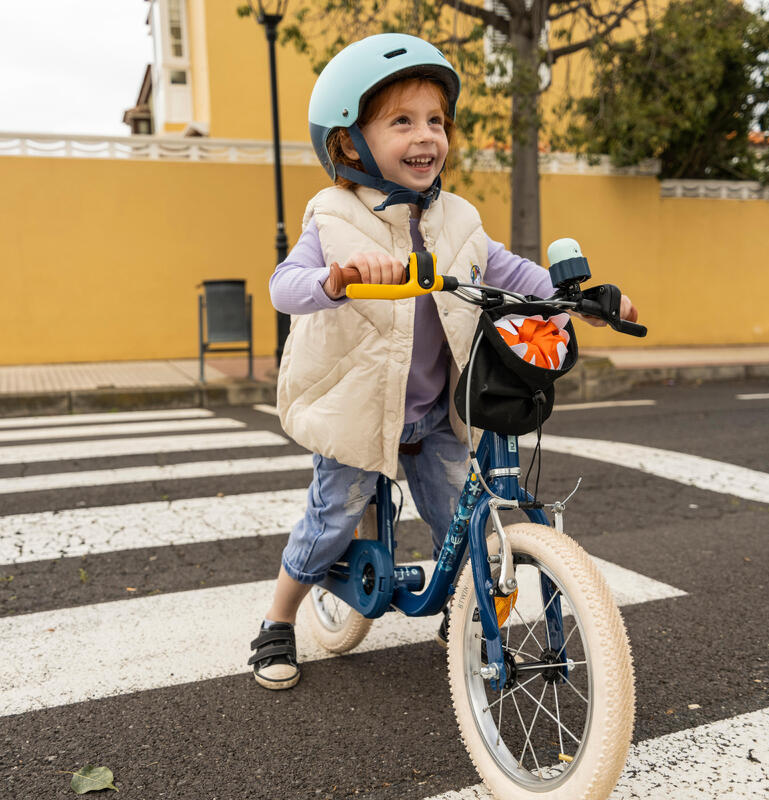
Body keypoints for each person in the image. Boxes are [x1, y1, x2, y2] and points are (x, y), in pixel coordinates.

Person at [249, 33, 637, 690]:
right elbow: (284, 286)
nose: (425, 135)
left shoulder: (460, 218)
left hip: (433, 414)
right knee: (329, 521)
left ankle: (464, 609)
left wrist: (582, 300)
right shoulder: (333, 213)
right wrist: (339, 278)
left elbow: (511, 271)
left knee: (465, 510)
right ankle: (278, 620)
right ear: (349, 142)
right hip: (357, 410)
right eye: (401, 121)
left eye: (435, 120)